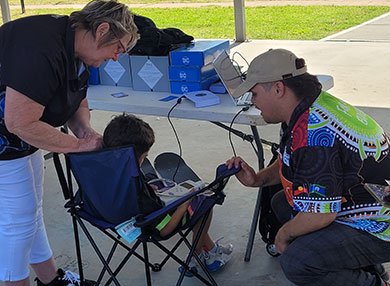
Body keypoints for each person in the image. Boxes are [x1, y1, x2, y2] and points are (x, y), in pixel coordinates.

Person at [0, 1, 139, 285]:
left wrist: (84, 131)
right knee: (18, 221)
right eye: (119, 49)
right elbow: (18, 122)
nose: (116, 58)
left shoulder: (76, 48)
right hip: (7, 138)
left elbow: (77, 98)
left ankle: (51, 281)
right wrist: (78, 146)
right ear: (102, 30)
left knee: (33, 209)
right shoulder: (41, 48)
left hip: (24, 136)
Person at [226, 48, 390, 286]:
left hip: (380, 223)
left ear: (278, 89)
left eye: (254, 93)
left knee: (297, 262)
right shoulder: (306, 107)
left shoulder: (314, 134)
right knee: (283, 203)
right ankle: (366, 265)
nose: (252, 102)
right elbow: (288, 159)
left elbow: (321, 213)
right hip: (372, 199)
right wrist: (257, 180)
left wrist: (283, 236)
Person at [102, 113, 233, 276]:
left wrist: (148, 189)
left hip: (112, 218)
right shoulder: (141, 196)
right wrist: (184, 204)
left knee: (158, 183)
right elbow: (164, 230)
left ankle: (212, 249)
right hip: (147, 223)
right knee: (204, 200)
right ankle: (196, 258)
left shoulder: (103, 173)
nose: (144, 159)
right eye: (144, 157)